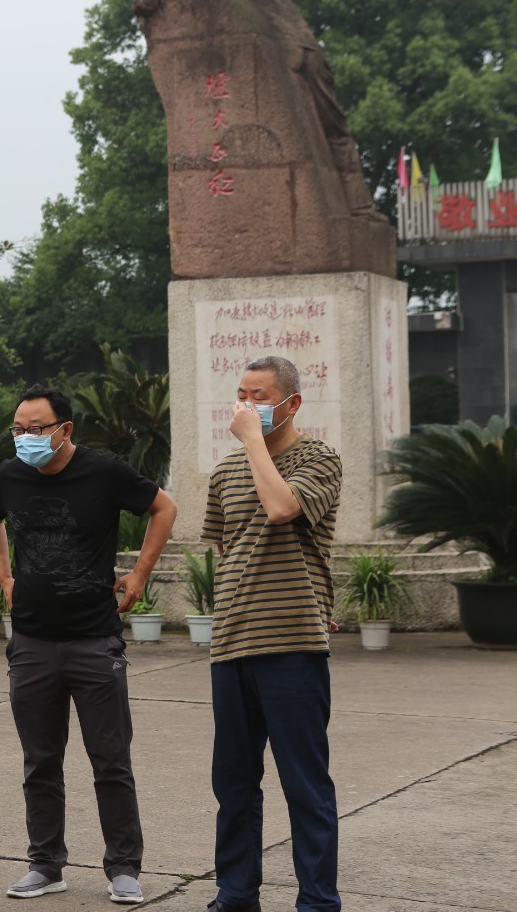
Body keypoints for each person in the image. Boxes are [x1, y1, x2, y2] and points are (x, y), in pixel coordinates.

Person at [0, 383, 177, 906]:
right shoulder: (9, 475)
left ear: (65, 429)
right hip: (32, 642)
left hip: (94, 640)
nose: (24, 438)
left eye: (35, 429)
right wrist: (4, 576)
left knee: (110, 759)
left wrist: (140, 573)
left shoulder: (104, 471)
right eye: (17, 429)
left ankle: (124, 868)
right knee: (40, 761)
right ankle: (45, 865)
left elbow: (163, 507)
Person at [203, 356, 343, 912]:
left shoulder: (319, 458)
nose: (246, 406)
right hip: (232, 641)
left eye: (259, 396)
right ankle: (236, 894)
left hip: (292, 644)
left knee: (305, 783)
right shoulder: (225, 472)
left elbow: (282, 508)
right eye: (241, 394)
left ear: (292, 403)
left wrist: (253, 445)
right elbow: (226, 548)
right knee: (233, 783)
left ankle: (318, 901)